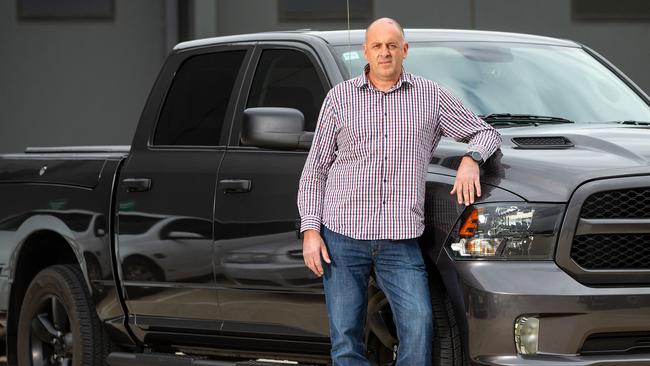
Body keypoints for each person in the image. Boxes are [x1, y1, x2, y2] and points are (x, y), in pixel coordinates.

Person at [297, 17, 501, 365]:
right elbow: (315, 170)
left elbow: (485, 133)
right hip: (343, 235)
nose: (385, 52)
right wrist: (311, 230)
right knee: (345, 336)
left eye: (392, 45)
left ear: (405, 50)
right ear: (365, 51)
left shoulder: (429, 96)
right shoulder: (340, 99)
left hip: (400, 238)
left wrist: (471, 159)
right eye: (377, 46)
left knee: (419, 325)